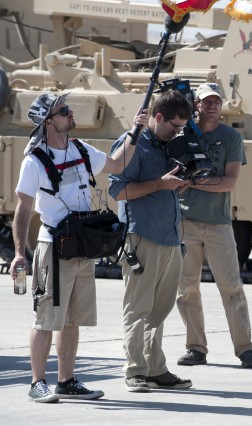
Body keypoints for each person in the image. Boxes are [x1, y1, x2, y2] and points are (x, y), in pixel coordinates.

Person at [10, 92, 142, 402]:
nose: (71, 113)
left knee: (72, 319)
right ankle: (36, 383)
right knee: (45, 318)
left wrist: (137, 131)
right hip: (54, 247)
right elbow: (24, 209)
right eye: (64, 110)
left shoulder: (81, 149)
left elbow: (117, 164)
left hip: (83, 246)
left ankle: (66, 381)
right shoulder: (35, 161)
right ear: (49, 122)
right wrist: (19, 252)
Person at [109, 89, 193, 393]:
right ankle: (135, 371)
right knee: (138, 307)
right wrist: (161, 184)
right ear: (158, 117)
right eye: (174, 126)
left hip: (169, 236)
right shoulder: (133, 144)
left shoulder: (166, 144)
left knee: (161, 307)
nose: (178, 132)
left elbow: (163, 188)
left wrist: (178, 184)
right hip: (141, 235)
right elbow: (117, 191)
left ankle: (155, 368)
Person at [175, 82, 252, 369]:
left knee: (231, 286)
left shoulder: (231, 137)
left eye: (215, 101)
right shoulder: (183, 134)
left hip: (218, 224)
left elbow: (230, 182)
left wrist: (195, 181)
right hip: (185, 222)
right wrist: (204, 182)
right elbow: (173, 179)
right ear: (195, 105)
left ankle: (245, 349)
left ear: (221, 105)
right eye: (205, 101)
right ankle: (196, 347)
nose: (210, 106)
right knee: (186, 289)